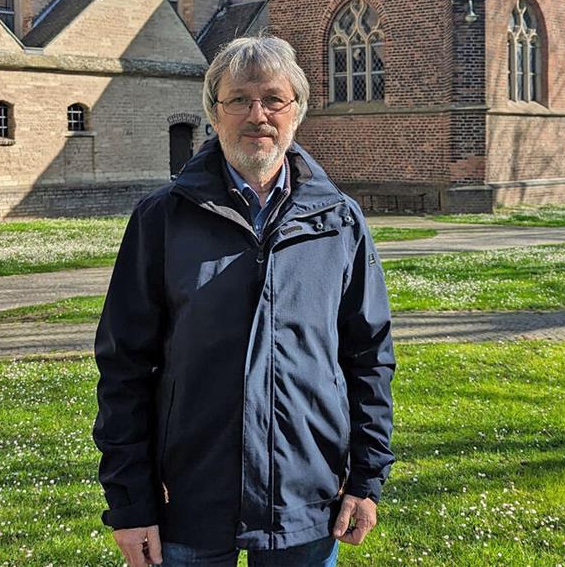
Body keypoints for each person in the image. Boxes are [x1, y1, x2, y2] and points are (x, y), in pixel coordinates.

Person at [92, 35, 395, 567]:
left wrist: (366, 479)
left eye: (273, 99)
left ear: (297, 111)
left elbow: (368, 356)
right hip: (188, 497)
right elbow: (125, 368)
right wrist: (131, 502)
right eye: (239, 100)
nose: (258, 115)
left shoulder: (339, 221)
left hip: (307, 497)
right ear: (214, 113)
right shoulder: (162, 220)